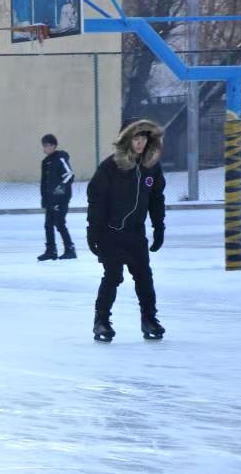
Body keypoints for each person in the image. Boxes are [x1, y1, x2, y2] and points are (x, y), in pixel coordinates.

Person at [87, 119, 166, 342]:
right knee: (112, 277)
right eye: (136, 138)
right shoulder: (110, 167)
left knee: (144, 277)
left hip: (135, 234)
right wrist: (93, 232)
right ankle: (101, 322)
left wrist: (158, 226)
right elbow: (96, 199)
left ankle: (149, 319)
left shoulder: (151, 166)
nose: (140, 143)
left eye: (144, 138)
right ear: (126, 139)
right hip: (110, 233)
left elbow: (156, 198)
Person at [38, 134, 76, 261]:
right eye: (43, 145)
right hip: (50, 200)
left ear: (53, 146)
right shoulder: (46, 162)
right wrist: (45, 198)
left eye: (47, 145)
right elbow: (44, 182)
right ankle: (51, 250)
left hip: (61, 199)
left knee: (59, 223)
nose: (44, 148)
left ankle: (70, 249)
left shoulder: (60, 159)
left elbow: (69, 175)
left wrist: (60, 191)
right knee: (48, 224)